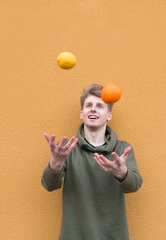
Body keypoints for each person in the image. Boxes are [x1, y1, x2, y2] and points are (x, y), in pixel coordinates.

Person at [41, 84, 143, 240]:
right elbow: (49, 185)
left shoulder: (122, 149)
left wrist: (121, 173)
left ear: (109, 115)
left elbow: (134, 185)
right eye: (88, 105)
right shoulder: (68, 149)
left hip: (114, 235)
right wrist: (56, 164)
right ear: (82, 114)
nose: (93, 109)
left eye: (99, 106)